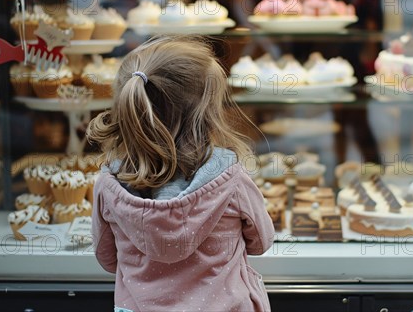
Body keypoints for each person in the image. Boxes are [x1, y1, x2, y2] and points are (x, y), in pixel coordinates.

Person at [87, 36, 275, 312]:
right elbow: (261, 241)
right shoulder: (231, 180)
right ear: (206, 115)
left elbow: (107, 258)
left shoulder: (108, 185)